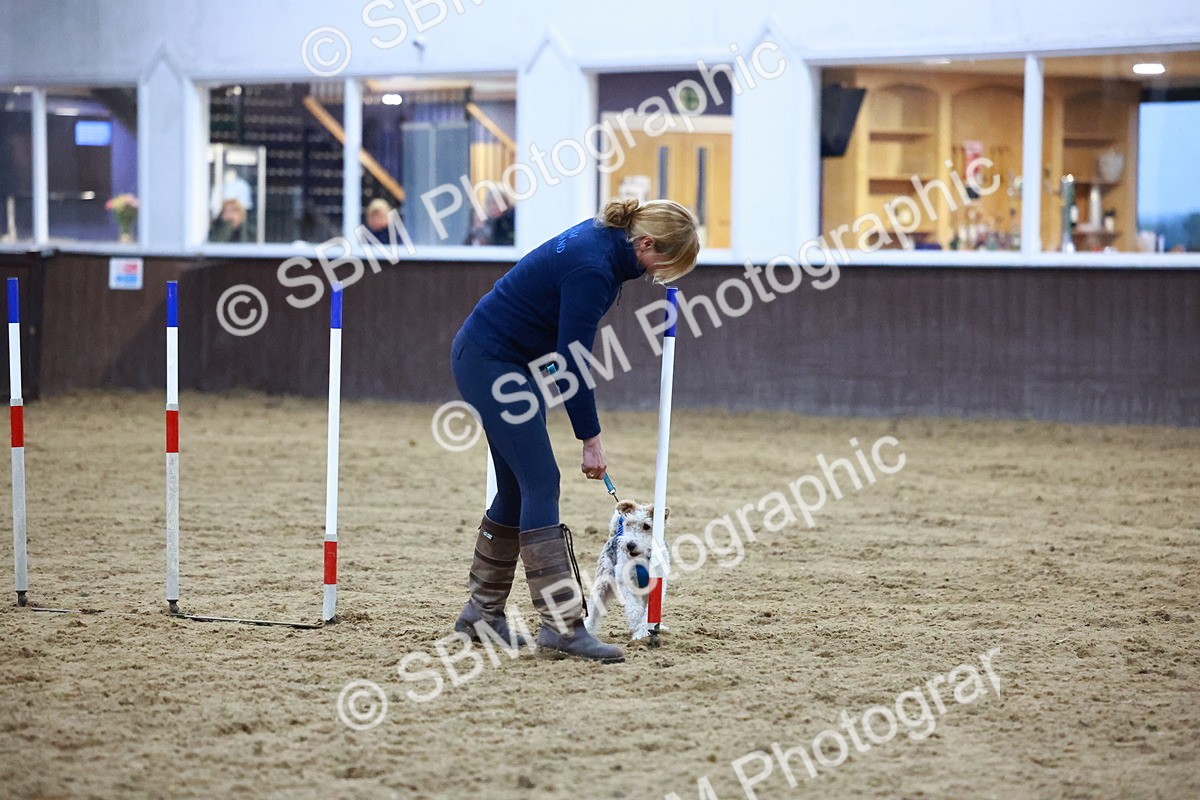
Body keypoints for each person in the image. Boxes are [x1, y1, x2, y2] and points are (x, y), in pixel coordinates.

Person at [450, 198, 700, 662]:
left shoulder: (605, 242)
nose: (659, 276)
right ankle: (561, 626)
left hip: (502, 359)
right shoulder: (594, 268)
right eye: (664, 265)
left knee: (517, 488)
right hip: (490, 362)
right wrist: (591, 439)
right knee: (542, 481)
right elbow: (573, 362)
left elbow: (561, 342)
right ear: (646, 244)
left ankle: (481, 614)